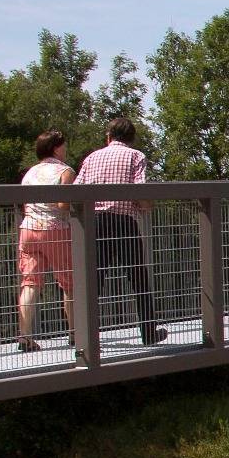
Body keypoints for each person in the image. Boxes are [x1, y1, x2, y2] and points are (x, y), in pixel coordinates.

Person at [74, 114, 166, 345]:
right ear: (131, 138)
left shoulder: (91, 157)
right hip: (124, 221)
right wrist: (147, 206)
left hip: (96, 222)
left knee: (94, 279)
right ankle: (148, 333)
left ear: (108, 137)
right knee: (138, 277)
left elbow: (75, 192)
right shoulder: (136, 156)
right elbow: (140, 191)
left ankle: (86, 336)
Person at [16, 131, 74, 352]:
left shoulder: (30, 173)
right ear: (56, 148)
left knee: (30, 283)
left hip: (29, 229)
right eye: (64, 146)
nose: (66, 150)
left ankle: (25, 336)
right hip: (55, 230)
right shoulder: (65, 171)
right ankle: (75, 334)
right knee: (70, 283)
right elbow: (63, 205)